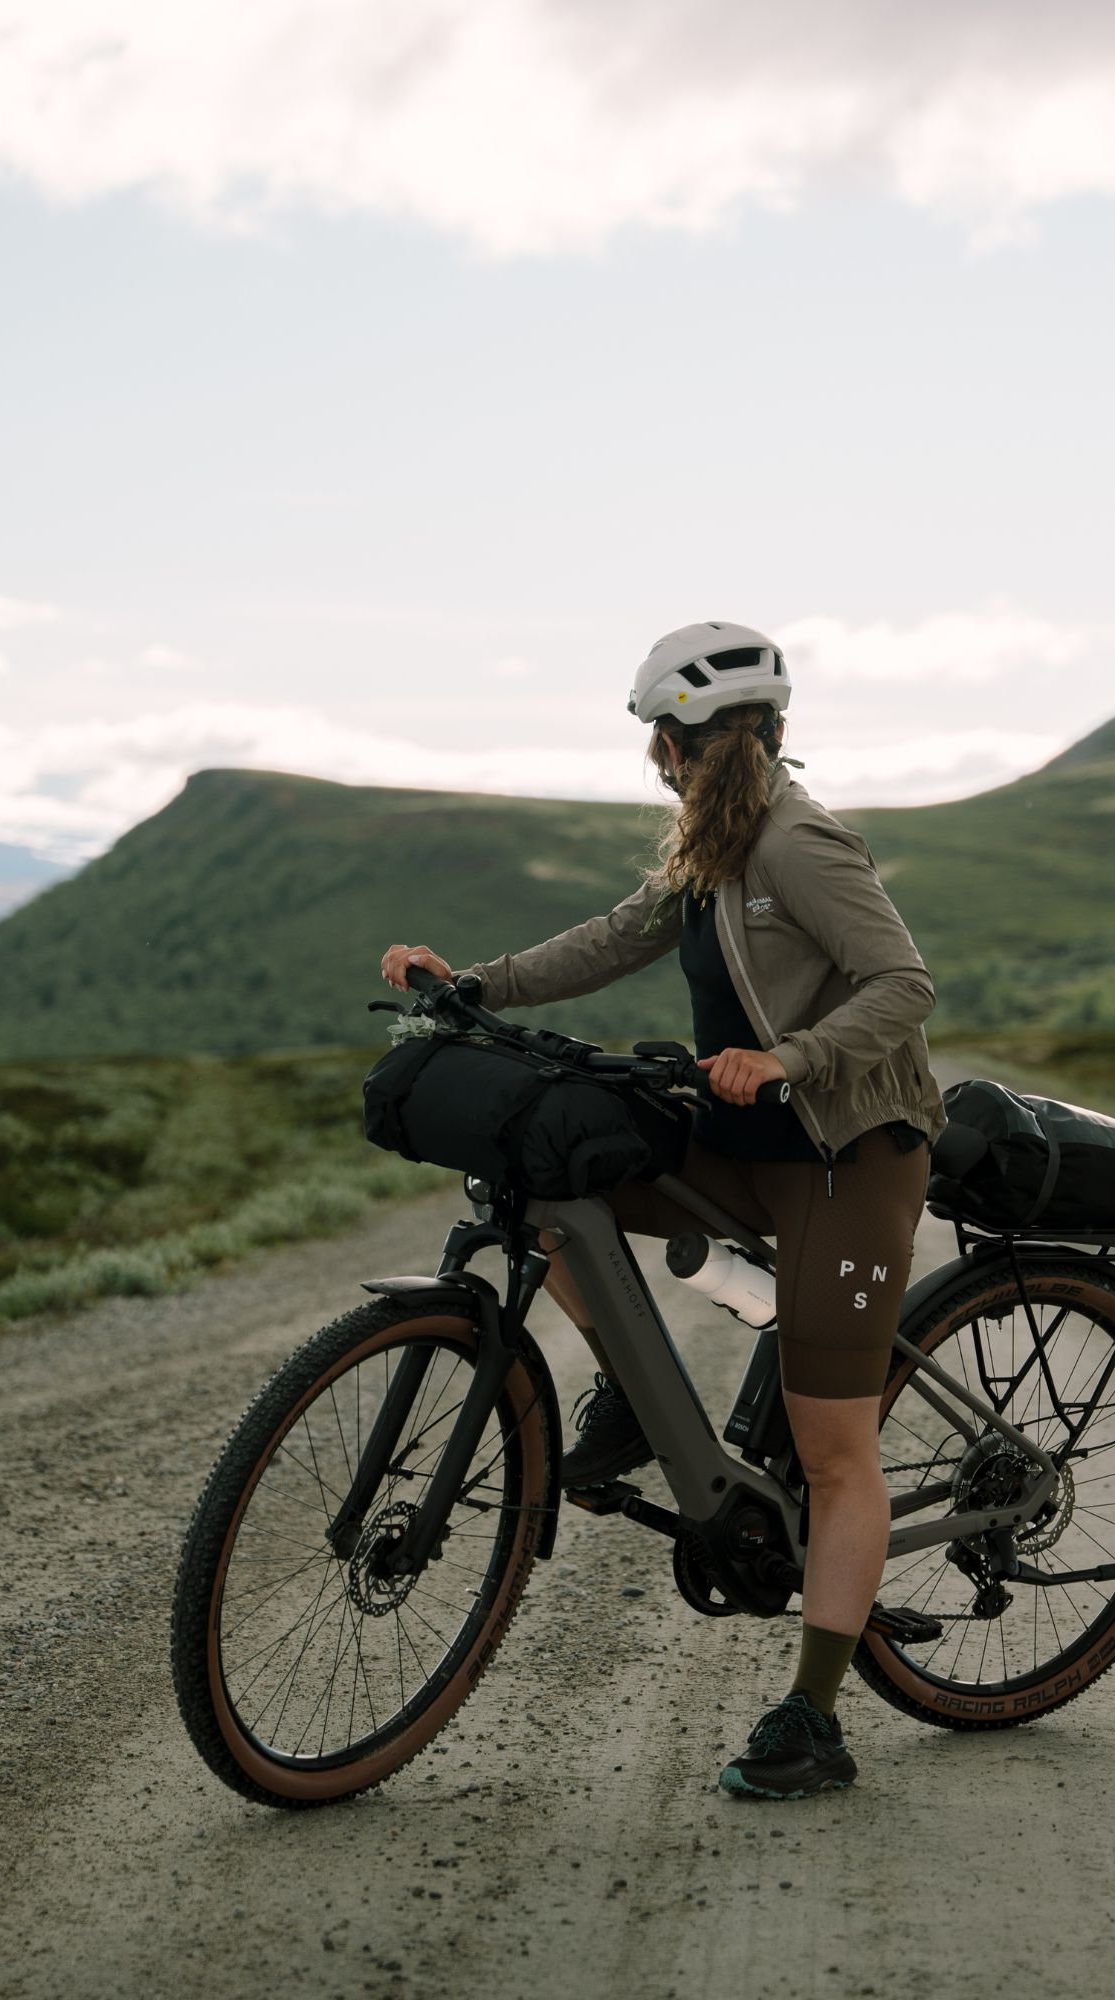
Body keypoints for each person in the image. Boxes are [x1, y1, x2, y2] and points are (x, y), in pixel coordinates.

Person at [381, 619, 946, 1800]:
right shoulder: (711, 842)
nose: (663, 761)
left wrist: (791, 1056)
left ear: (695, 744)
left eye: (668, 743)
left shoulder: (799, 841)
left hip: (844, 1156)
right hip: (744, 1145)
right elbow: (610, 940)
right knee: (555, 1182)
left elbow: (904, 982)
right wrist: (475, 984)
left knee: (834, 1449)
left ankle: (815, 1715)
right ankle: (636, 1402)